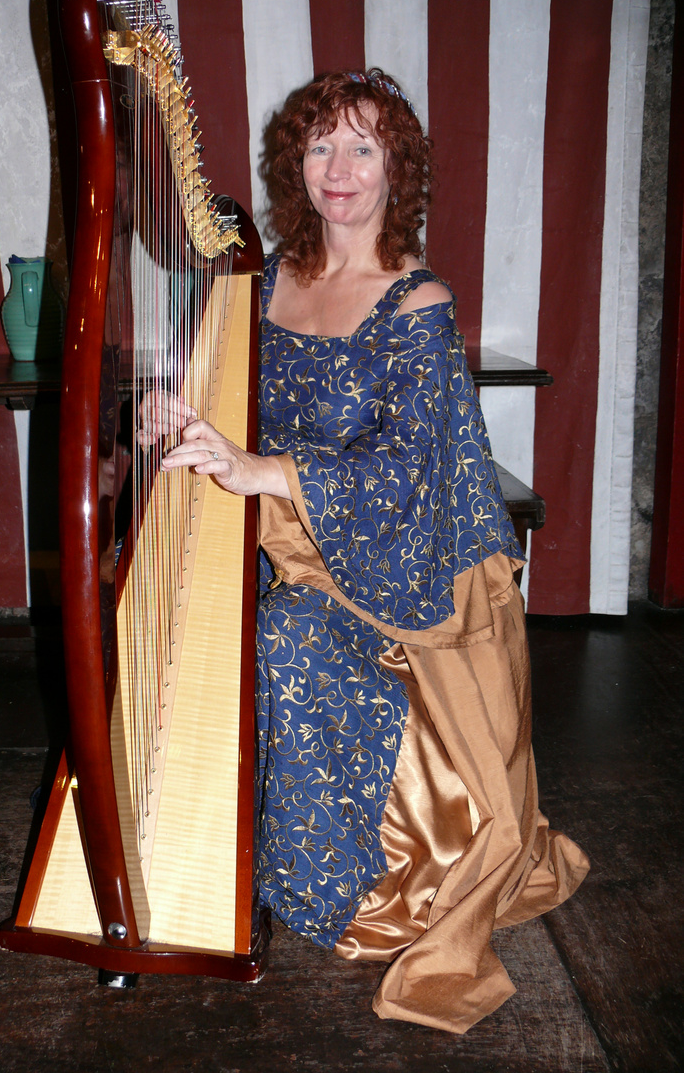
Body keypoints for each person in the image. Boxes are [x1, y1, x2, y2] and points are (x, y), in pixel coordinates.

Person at [150, 69, 589, 1033]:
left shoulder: (417, 301)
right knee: (242, 625)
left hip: (408, 575)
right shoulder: (263, 286)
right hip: (291, 548)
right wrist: (173, 407)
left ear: (400, 170)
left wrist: (269, 471)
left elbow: (404, 467)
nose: (338, 169)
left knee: (292, 632)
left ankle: (338, 893)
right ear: (293, 166)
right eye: (319, 147)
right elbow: (228, 401)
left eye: (362, 147)